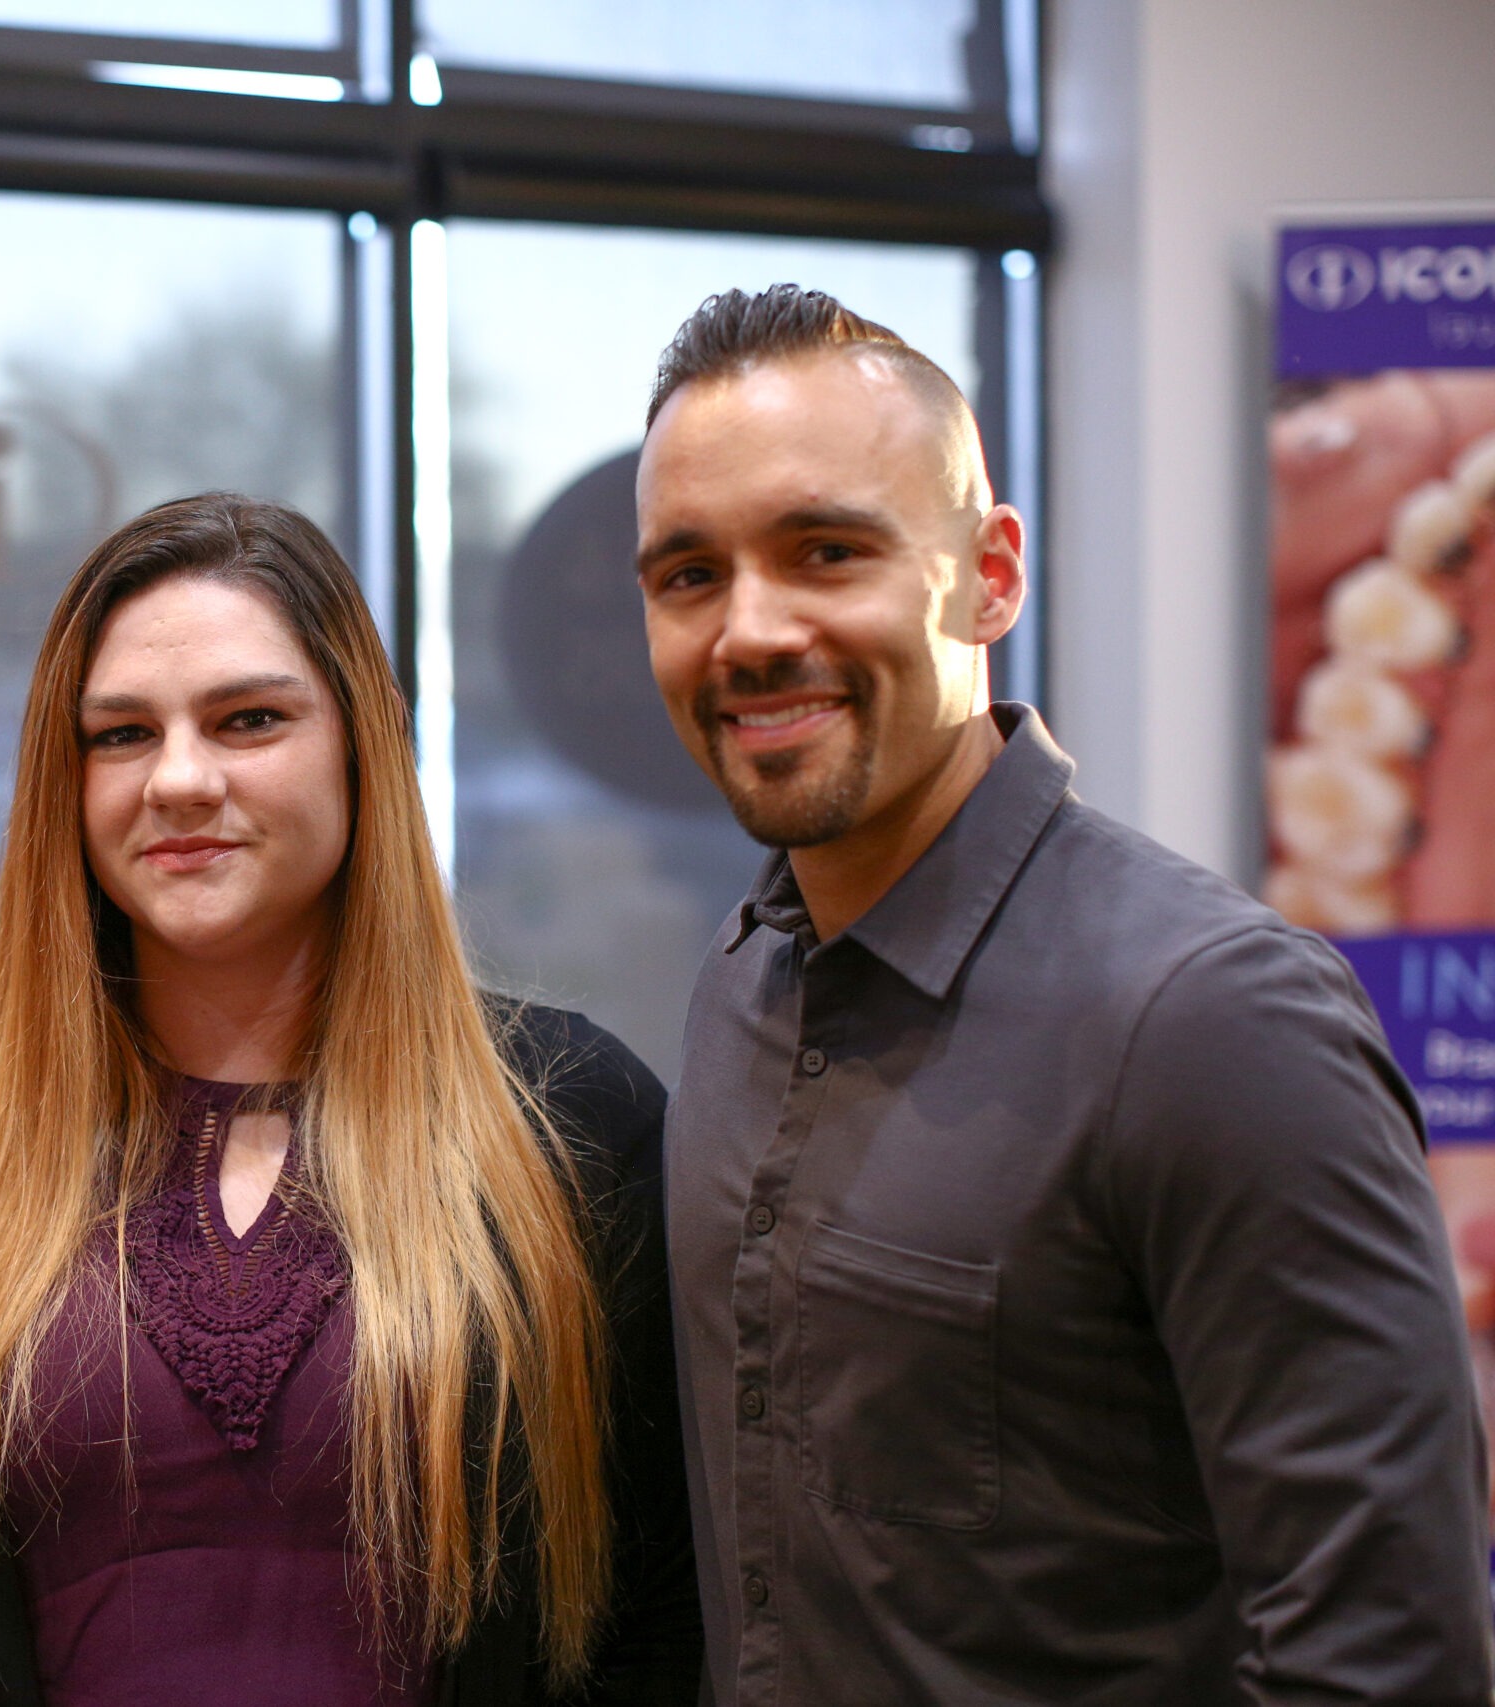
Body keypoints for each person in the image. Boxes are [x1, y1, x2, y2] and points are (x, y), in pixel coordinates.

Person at [635, 283, 1492, 1704]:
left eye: (827, 549)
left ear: (992, 574)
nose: (751, 630)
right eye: (690, 574)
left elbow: (1384, 1655)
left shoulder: (1214, 1022)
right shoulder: (740, 987)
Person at [0, 493, 701, 1705]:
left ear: (365, 742)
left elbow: (653, 1624)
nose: (181, 780)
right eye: (121, 735)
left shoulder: (572, 1124)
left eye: (249, 720)